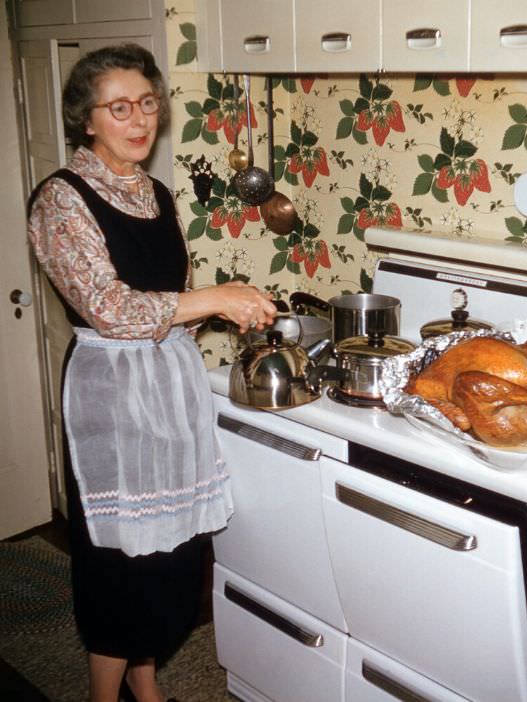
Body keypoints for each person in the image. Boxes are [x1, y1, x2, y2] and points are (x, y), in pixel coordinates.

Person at [27, 43, 276, 702]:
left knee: (167, 554)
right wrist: (218, 296)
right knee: (119, 564)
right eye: (118, 108)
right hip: (111, 394)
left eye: (146, 103)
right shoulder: (61, 199)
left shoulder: (158, 194)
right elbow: (112, 310)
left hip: (170, 388)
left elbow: (170, 306)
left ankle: (146, 682)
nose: (138, 120)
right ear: (87, 119)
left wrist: (219, 316)